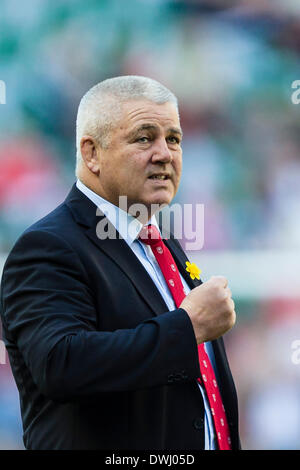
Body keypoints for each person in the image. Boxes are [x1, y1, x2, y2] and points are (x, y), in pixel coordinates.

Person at [0, 76, 240, 450]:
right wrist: (187, 326)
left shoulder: (161, 240)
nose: (165, 153)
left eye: (173, 139)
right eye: (144, 138)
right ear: (91, 153)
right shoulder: (48, 246)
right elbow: (61, 364)